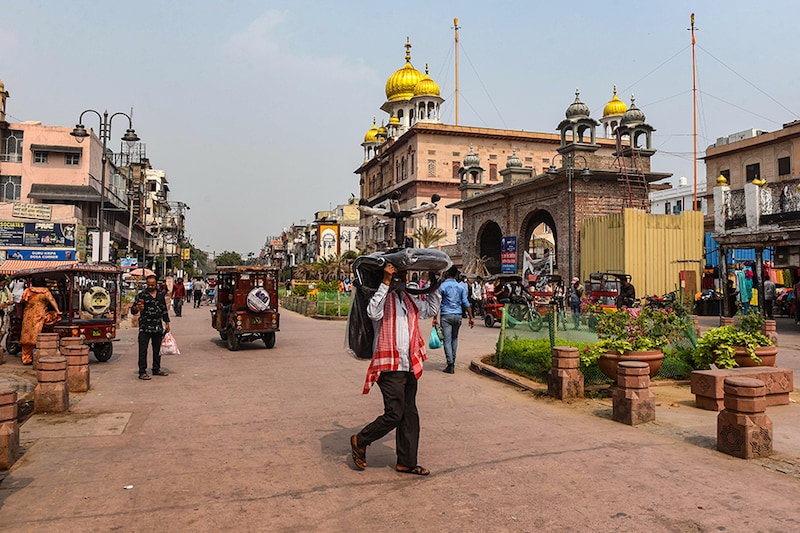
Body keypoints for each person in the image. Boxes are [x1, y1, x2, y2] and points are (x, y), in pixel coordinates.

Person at [351, 264, 441, 476]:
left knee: (410, 414)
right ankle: (360, 439)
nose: (401, 277)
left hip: (409, 363)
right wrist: (385, 282)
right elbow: (373, 312)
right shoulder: (381, 297)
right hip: (388, 364)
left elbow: (431, 310)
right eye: (396, 274)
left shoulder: (408, 298)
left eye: (402, 274)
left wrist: (434, 284)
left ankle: (406, 462)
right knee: (394, 413)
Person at [434, 266, 473, 374]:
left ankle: (450, 364)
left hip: (446, 315)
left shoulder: (443, 286)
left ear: (447, 274)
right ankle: (453, 360)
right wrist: (471, 317)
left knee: (447, 340)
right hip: (458, 315)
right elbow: (466, 303)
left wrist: (434, 317)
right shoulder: (460, 287)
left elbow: (437, 302)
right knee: (454, 338)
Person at [130, 274, 170, 380]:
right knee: (143, 350)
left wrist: (167, 323)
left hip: (157, 326)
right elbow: (133, 311)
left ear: (156, 284)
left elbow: (164, 309)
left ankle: (156, 369)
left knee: (157, 350)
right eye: (149, 285)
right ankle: (142, 371)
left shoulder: (160, 295)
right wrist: (137, 308)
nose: (151, 286)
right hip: (145, 326)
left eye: (153, 285)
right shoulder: (141, 295)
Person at [20, 276, 61, 366]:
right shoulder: (45, 291)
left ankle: (26, 359)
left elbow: (22, 300)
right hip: (40, 316)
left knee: (27, 337)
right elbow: (52, 300)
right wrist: (58, 311)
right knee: (39, 333)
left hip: (28, 317)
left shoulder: (28, 291)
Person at [0, 278, 12, 349]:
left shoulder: (5, 290)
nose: (4, 285)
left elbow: (7, 298)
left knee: (3, 330)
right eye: (3, 283)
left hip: (2, 311)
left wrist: (8, 302)